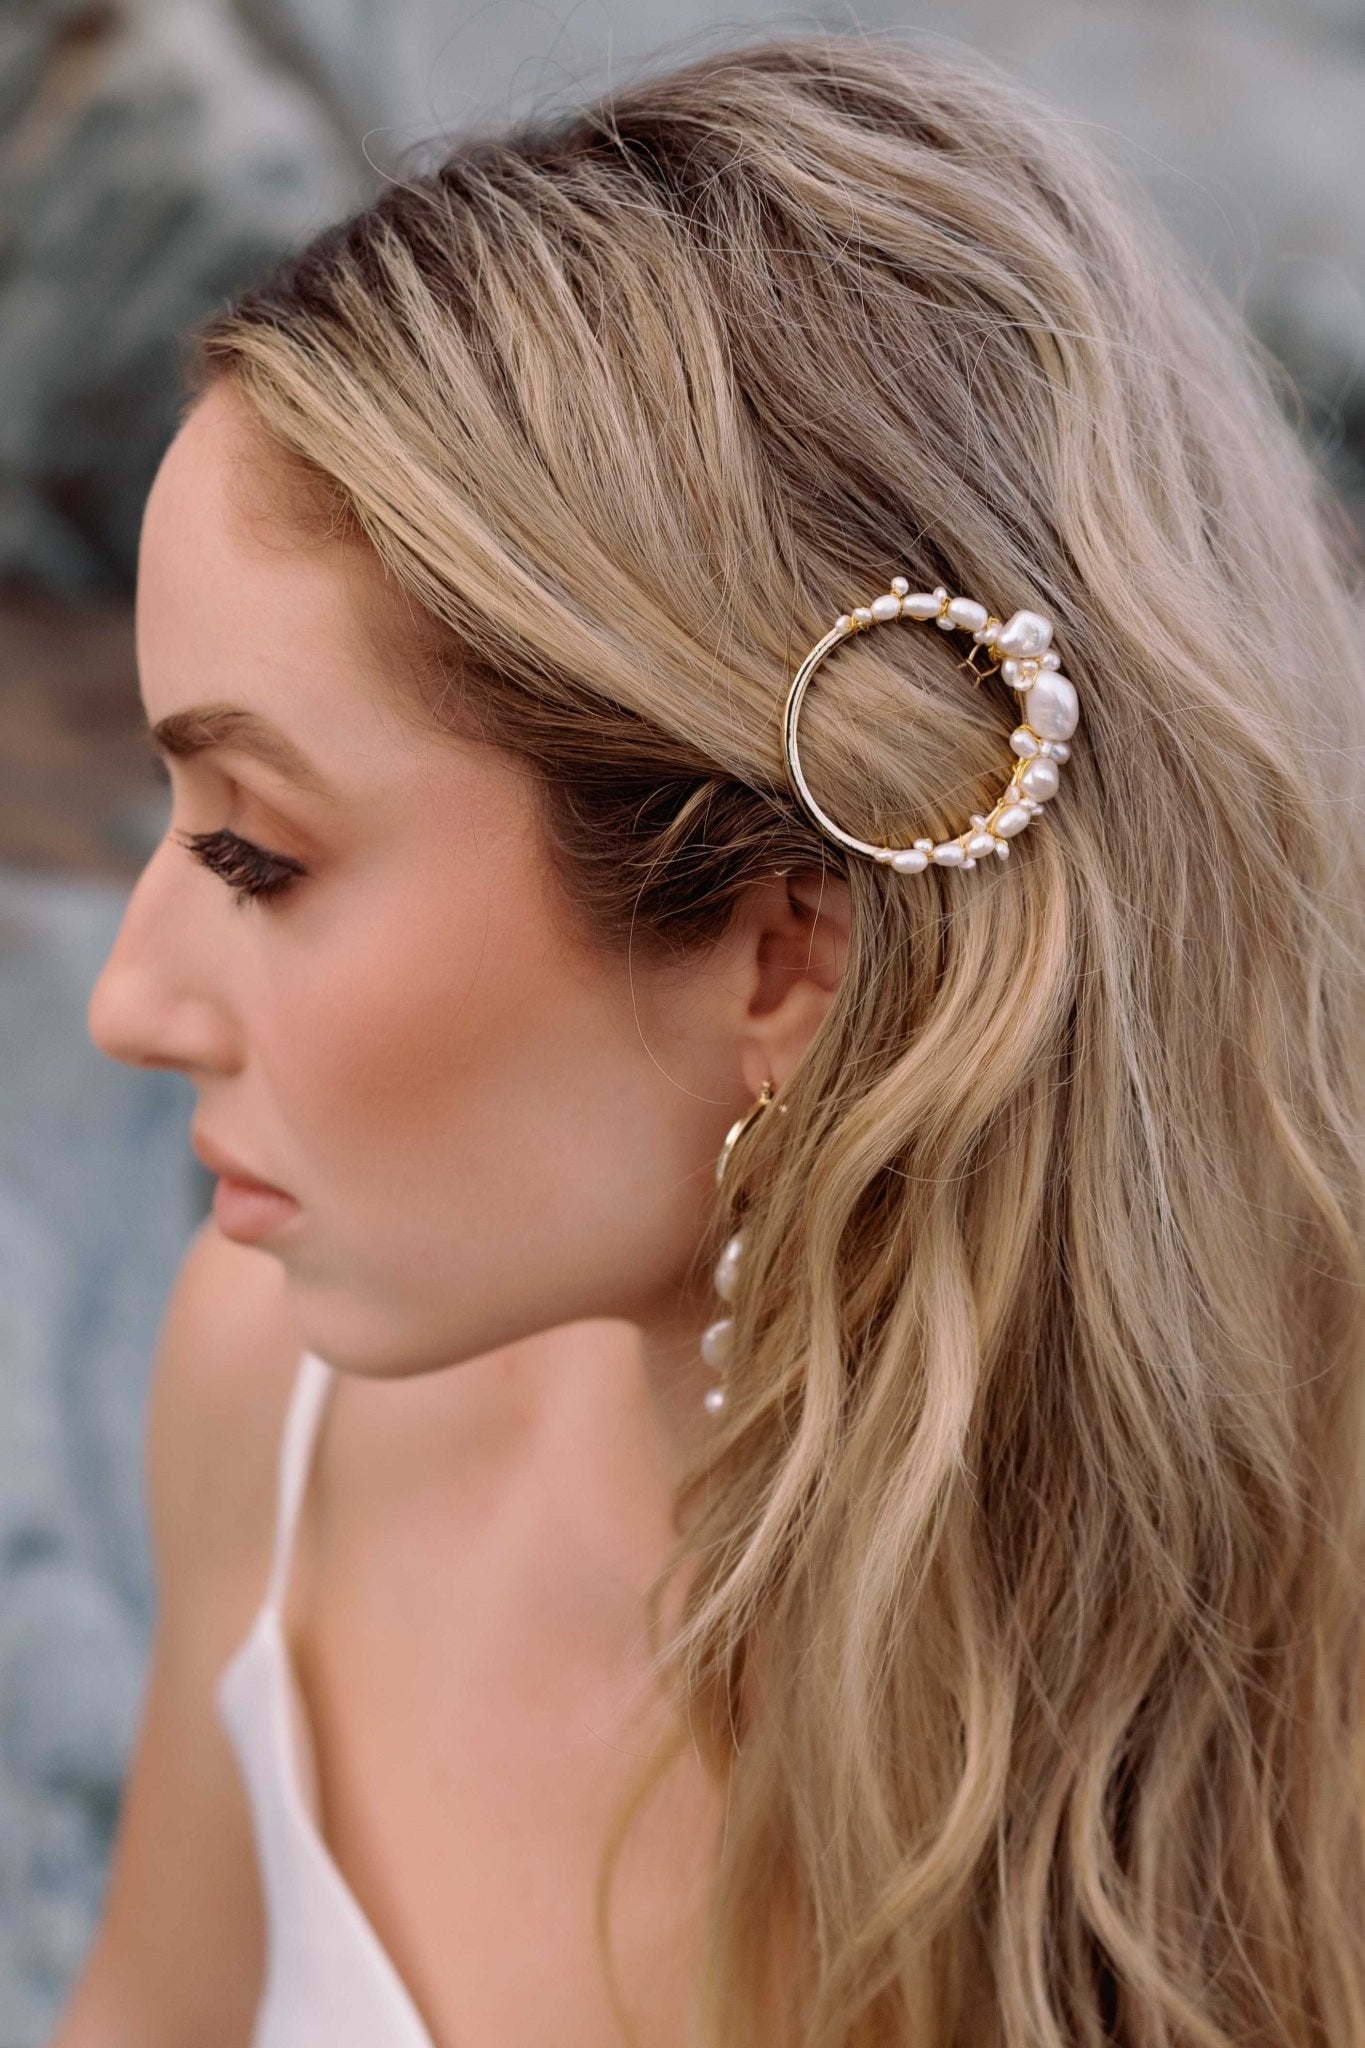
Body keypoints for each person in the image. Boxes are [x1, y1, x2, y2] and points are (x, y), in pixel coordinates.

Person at [53, 29, 1365, 2048]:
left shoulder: (1291, 1739)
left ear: (781, 954)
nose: (121, 1006)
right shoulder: (276, 1387)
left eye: (253, 854)